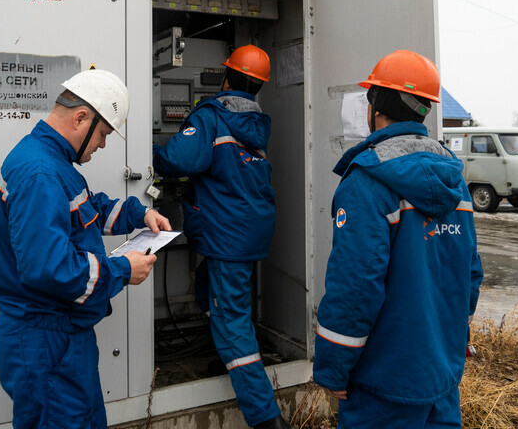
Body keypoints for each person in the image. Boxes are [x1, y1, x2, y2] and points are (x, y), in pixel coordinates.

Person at [0, 68, 171, 429]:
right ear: (81, 117)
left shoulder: (52, 163)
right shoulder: (40, 172)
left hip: (60, 338)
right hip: (45, 342)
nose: (102, 144)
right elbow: (48, 267)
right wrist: (122, 271)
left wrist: (140, 212)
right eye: (102, 133)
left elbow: (87, 210)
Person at [312, 50, 483, 429]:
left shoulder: (367, 182)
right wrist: (450, 349)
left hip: (382, 387)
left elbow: (355, 289)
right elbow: (469, 278)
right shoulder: (456, 184)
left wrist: (333, 367)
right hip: (441, 381)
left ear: (376, 106)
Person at [152, 45, 290, 429]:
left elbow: (182, 159)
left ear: (226, 76)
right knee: (206, 290)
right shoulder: (256, 120)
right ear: (258, 86)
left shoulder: (211, 115)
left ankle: (266, 418)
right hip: (249, 229)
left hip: (226, 232)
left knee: (231, 321)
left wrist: (149, 155)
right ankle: (232, 355)